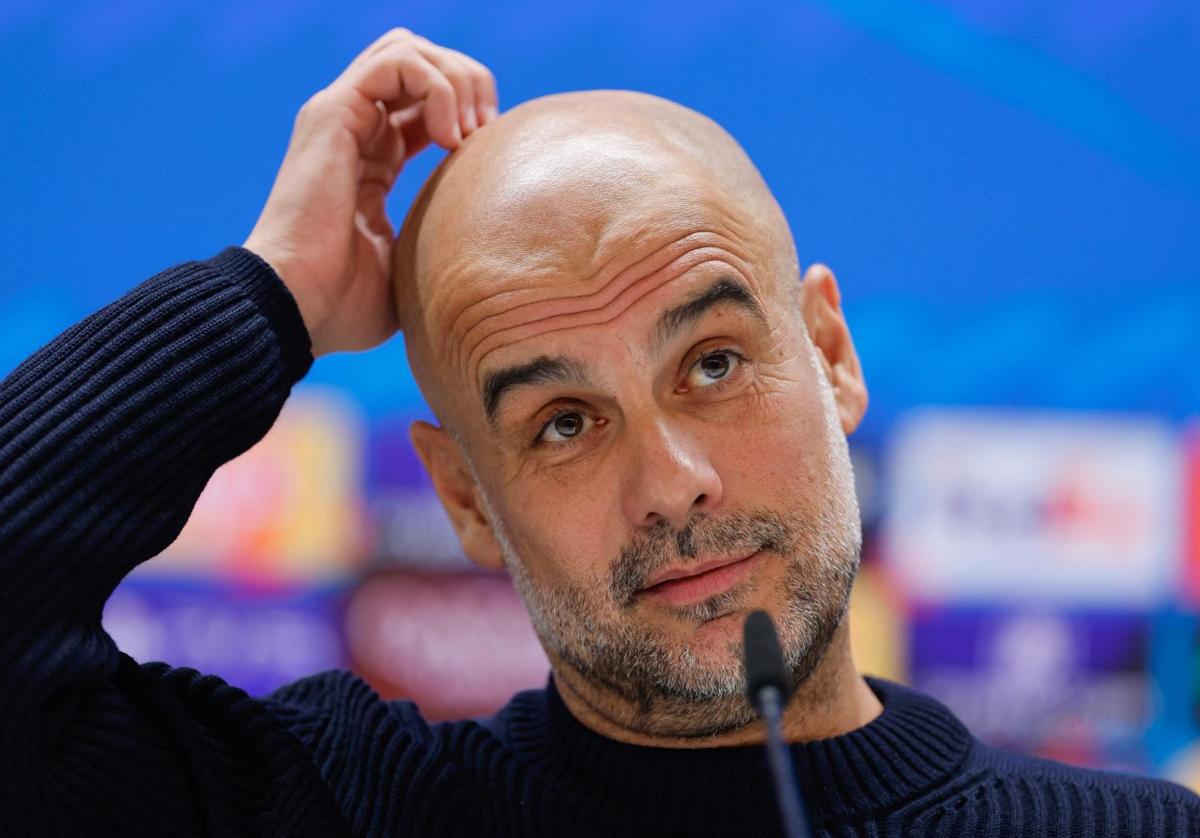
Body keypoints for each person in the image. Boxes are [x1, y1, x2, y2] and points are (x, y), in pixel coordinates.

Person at [0, 26, 1195, 838]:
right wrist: (270, 295)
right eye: (564, 421)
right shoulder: (333, 806)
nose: (672, 483)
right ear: (466, 498)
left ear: (830, 355)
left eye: (714, 362)